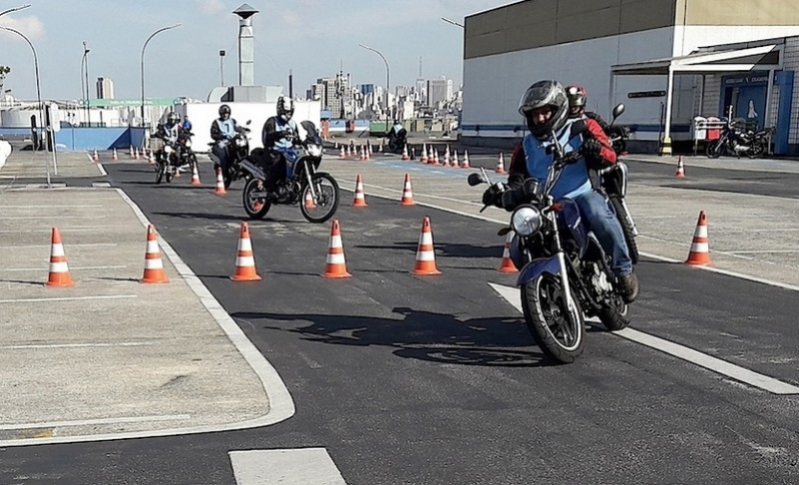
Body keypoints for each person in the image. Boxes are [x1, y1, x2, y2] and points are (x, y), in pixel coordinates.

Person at [487, 80, 639, 303]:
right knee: (519, 247)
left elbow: (609, 154)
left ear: (558, 109)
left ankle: (624, 271)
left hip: (581, 194)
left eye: (544, 112)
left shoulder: (583, 126)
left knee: (598, 214)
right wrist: (500, 194)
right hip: (544, 206)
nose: (539, 119)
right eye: (534, 114)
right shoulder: (525, 146)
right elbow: (516, 180)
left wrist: (594, 149)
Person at [260, 96, 299, 197]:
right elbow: (268, 136)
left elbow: (297, 138)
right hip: (274, 150)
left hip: (288, 151)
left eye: (289, 112)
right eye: (286, 112)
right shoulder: (272, 121)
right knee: (279, 161)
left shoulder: (293, 124)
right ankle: (270, 187)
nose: (288, 114)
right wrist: (279, 134)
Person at [210, 104, 239, 173]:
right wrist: (221, 136)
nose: (225, 115)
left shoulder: (232, 121)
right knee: (222, 152)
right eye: (224, 113)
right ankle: (224, 168)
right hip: (223, 141)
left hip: (232, 140)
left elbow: (237, 128)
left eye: (227, 113)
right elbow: (213, 134)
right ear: (220, 113)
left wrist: (243, 130)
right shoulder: (216, 122)